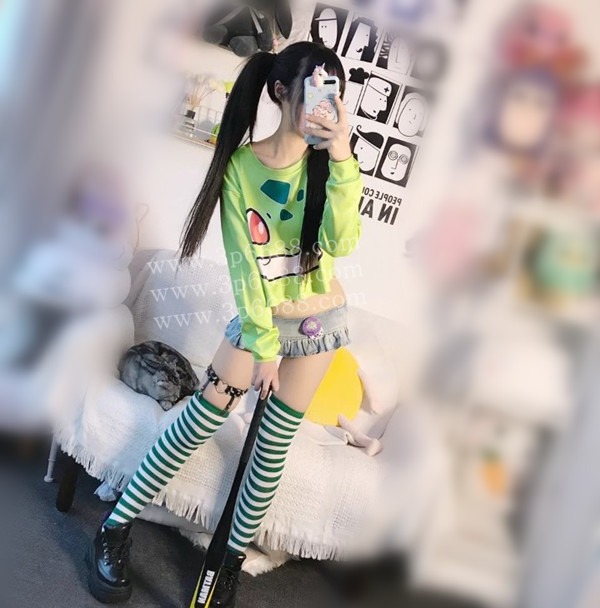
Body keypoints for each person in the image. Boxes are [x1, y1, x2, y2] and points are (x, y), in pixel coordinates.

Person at [86, 40, 363, 606]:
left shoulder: (330, 164)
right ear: (281, 91)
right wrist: (262, 347)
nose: (324, 103)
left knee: (272, 446)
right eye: (315, 87)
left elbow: (342, 242)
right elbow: (245, 266)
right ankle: (114, 527)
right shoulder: (242, 167)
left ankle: (229, 559)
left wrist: (341, 155)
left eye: (333, 90)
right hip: (263, 322)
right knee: (200, 418)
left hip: (319, 321)